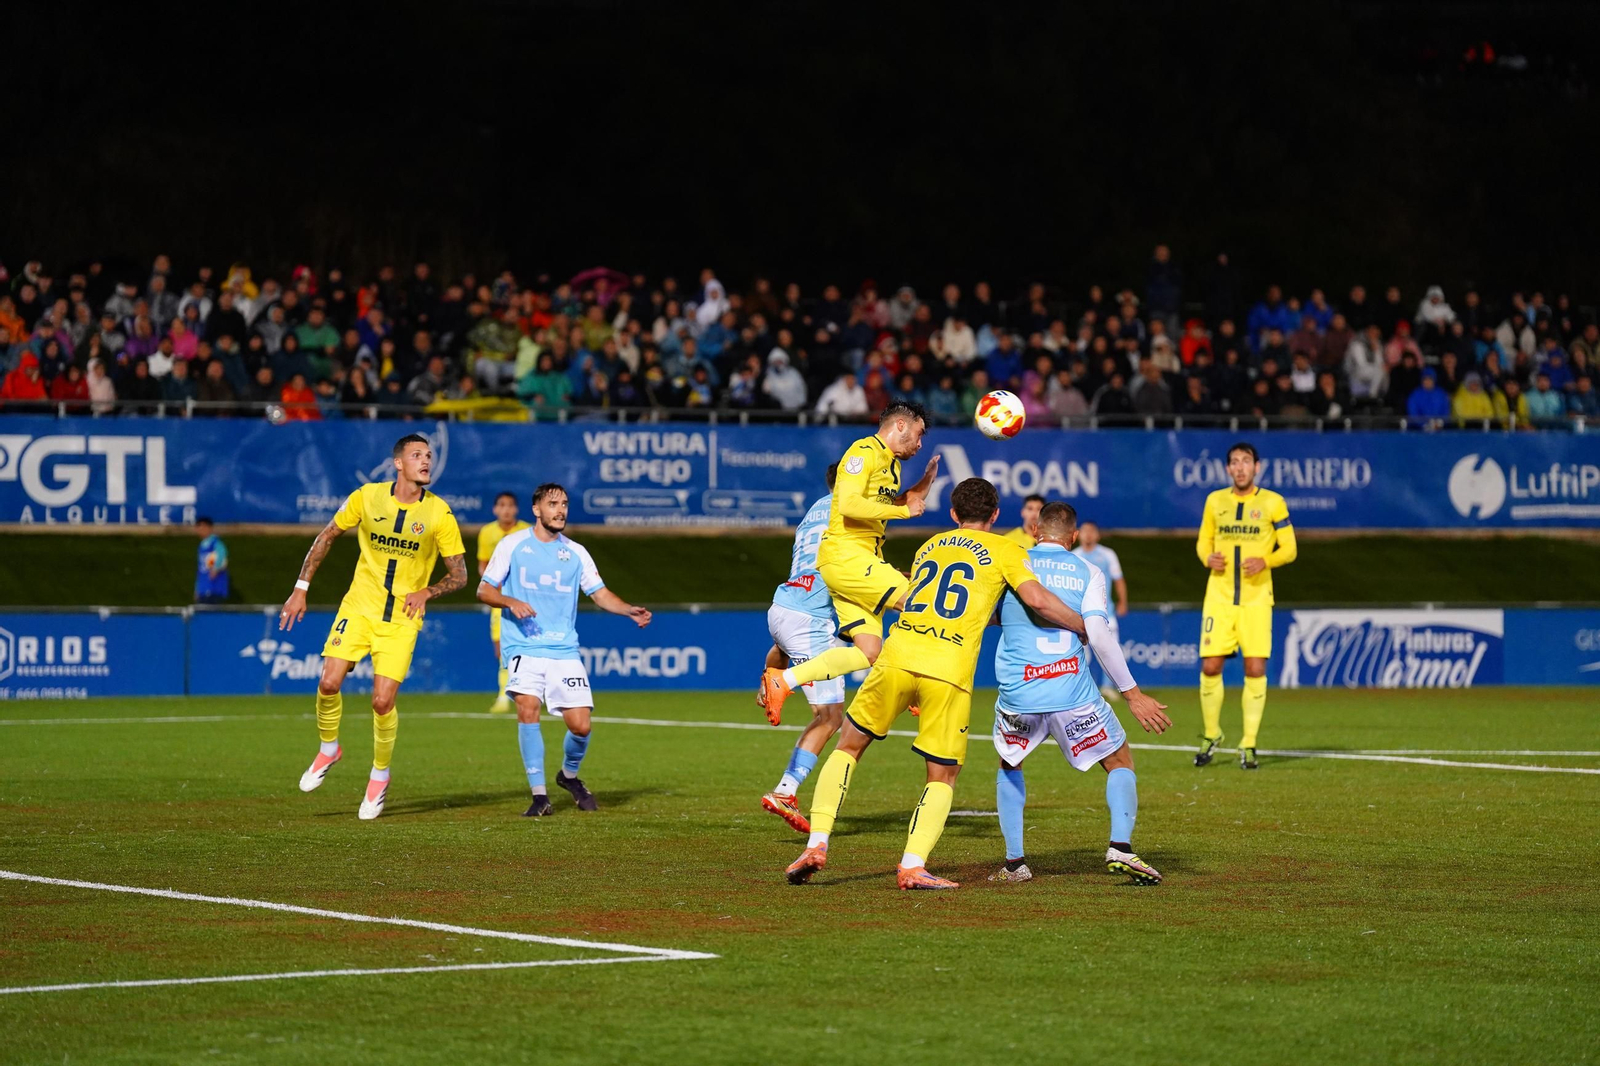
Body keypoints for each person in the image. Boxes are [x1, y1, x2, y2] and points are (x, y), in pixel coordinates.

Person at [783, 477, 1089, 890]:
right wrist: (1081, 625)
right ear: (996, 515)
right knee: (942, 775)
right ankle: (912, 865)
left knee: (849, 746)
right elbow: (1035, 599)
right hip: (948, 669)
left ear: (953, 514)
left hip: (898, 654)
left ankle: (816, 843)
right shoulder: (1008, 549)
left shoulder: (930, 545)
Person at [279, 434, 468, 820]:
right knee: (328, 682)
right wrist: (300, 589)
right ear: (398, 463)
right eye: (416, 455)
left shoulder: (440, 513)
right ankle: (329, 749)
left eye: (429, 455)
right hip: (359, 608)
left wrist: (427, 591)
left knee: (382, 702)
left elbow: (460, 575)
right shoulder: (366, 497)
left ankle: (380, 775)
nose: (426, 461)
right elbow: (327, 536)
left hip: (401, 620)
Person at [990, 503, 1171, 886]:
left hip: (1019, 694)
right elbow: (1100, 636)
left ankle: (1015, 864)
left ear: (1035, 530)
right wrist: (1133, 695)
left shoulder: (1012, 562)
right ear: (1073, 537)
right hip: (1071, 693)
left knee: (1010, 763)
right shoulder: (1088, 570)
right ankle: (1120, 847)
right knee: (1119, 760)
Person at [758, 401, 941, 725]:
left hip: (856, 561)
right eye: (919, 432)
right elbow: (849, 504)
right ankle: (914, 685)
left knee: (868, 652)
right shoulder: (863, 451)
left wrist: (924, 483)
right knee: (921, 604)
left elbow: (896, 503)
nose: (920, 443)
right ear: (900, 425)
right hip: (847, 557)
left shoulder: (892, 466)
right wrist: (902, 512)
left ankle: (783, 680)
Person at [477, 483, 653, 817]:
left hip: (563, 649)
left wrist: (628, 609)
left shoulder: (576, 552)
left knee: (581, 726)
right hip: (524, 644)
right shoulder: (512, 545)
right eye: (553, 504)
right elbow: (484, 590)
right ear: (537, 509)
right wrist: (511, 601)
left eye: (565, 504)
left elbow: (599, 593)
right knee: (528, 707)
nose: (560, 510)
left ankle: (568, 776)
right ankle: (539, 796)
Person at [1194, 443, 1297, 770]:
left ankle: (1248, 743)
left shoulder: (1273, 502)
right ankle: (1212, 734)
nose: (1240, 468)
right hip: (1219, 598)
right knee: (1211, 666)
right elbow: (1203, 541)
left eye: (1246, 461)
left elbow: (1290, 549)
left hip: (1256, 600)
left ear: (1257, 467)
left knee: (1255, 669)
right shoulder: (1215, 501)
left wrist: (1266, 561)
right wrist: (1206, 557)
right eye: (1235, 462)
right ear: (1228, 469)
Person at [758, 464, 847, 833]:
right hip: (810, 619)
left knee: (784, 650)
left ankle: (769, 682)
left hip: (783, 605)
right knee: (830, 717)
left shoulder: (814, 510)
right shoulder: (850, 511)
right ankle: (785, 790)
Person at [477, 491, 531, 713]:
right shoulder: (487, 532)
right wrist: (493, 583)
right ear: (495, 509)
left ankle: (530, 693)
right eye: (501, 505)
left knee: (530, 648)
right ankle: (504, 696)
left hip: (524, 599)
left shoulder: (527, 531)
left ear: (516, 509)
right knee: (501, 649)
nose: (506, 509)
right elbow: (482, 564)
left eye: (510, 505)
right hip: (499, 600)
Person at [1072, 520, 1128, 699]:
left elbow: (1118, 579)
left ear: (1097, 535)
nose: (1088, 534)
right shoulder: (1074, 556)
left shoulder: (1107, 554)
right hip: (1080, 615)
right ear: (1078, 534)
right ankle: (1082, 688)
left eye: (1092, 531)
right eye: (1085, 531)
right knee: (1081, 653)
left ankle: (1108, 687)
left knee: (1110, 650)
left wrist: (1123, 601)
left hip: (1105, 612)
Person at [194, 517, 230, 604]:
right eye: (199, 528)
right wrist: (197, 589)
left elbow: (222, 556)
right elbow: (200, 570)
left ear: (210, 528)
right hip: (203, 589)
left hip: (215, 587)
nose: (201, 530)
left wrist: (216, 569)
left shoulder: (216, 543)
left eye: (204, 527)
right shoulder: (201, 546)